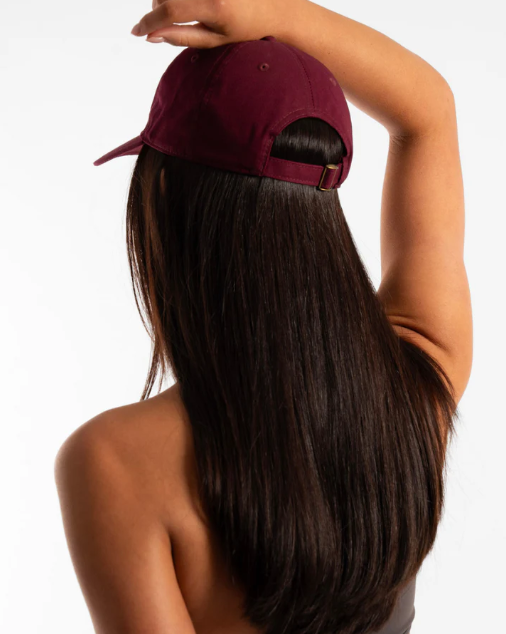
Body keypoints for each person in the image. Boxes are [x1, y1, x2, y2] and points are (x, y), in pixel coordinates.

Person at [54, 1, 473, 633]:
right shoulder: (421, 381)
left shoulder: (114, 463)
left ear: (159, 194)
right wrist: (270, 10)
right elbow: (428, 110)